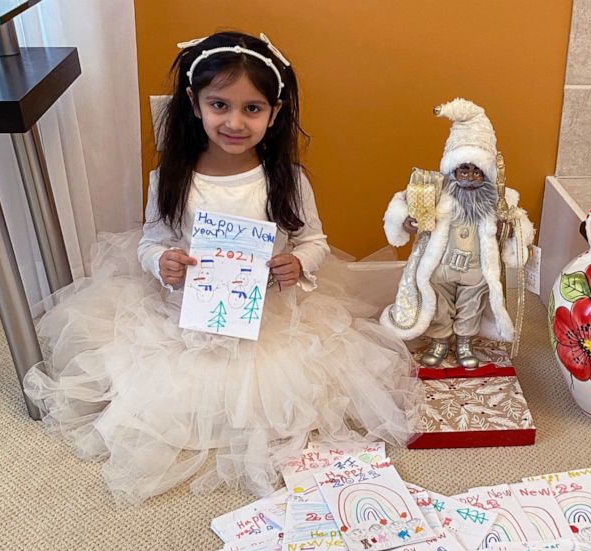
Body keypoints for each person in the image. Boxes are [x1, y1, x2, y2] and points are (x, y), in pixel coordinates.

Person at [24, 31, 415, 503]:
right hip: (186, 314)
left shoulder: (286, 180)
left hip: (268, 316)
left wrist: (298, 262)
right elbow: (154, 238)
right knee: (158, 393)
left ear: (275, 112)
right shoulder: (171, 178)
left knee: (284, 395)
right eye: (219, 105)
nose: (234, 121)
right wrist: (160, 261)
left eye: (252, 108)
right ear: (194, 103)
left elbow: (314, 240)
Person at [380, 99, 534, 368]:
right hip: (442, 265)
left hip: (475, 269)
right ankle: (440, 339)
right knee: (438, 301)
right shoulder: (436, 191)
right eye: (464, 169)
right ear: (452, 170)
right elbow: (401, 205)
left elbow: (519, 225)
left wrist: (510, 232)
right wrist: (406, 221)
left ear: (487, 174)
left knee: (471, 303)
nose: (469, 177)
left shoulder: (500, 200)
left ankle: (465, 341)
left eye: (477, 172)